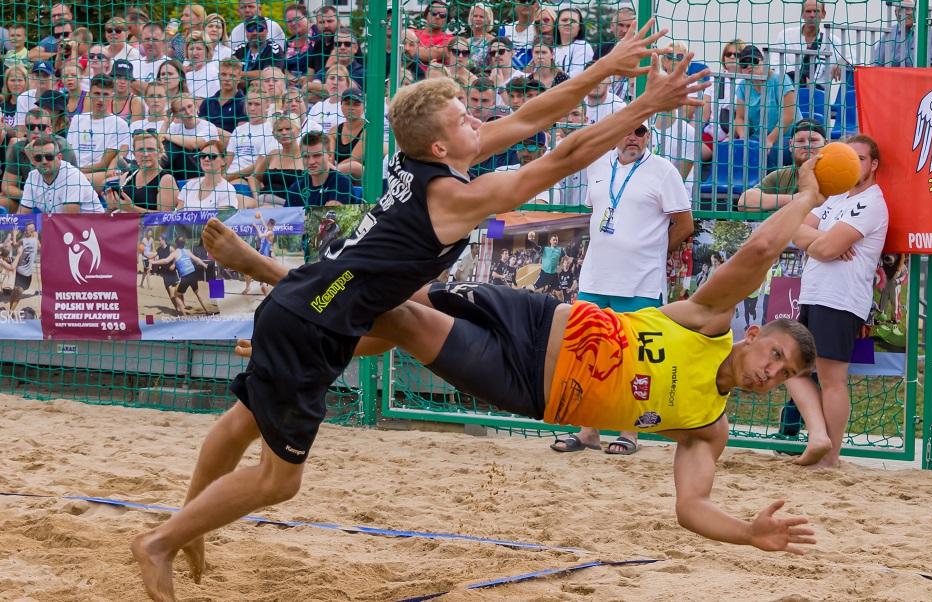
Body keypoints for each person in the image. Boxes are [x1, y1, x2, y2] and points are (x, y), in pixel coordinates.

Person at [130, 23, 708, 602]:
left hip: (310, 306)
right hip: (311, 322)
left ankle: (186, 526)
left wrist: (604, 69)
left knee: (241, 422)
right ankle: (163, 540)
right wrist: (643, 104)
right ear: (439, 146)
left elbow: (533, 117)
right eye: (464, 118)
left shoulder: (429, 163)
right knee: (278, 482)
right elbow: (560, 157)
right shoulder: (453, 197)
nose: (476, 122)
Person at [203, 145, 826, 576]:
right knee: (402, 298)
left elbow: (691, 508)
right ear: (753, 338)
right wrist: (808, 194)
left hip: (531, 385)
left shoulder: (706, 424)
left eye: (786, 374)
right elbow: (763, 246)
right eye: (775, 354)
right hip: (532, 314)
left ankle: (274, 281)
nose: (773, 373)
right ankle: (291, 312)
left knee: (402, 319)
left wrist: (748, 532)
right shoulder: (709, 321)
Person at [550, 122, 695, 456]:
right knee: (588, 354)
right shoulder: (598, 165)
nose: (632, 136)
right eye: (627, 130)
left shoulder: (663, 171)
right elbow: (600, 212)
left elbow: (684, 224)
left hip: (640, 281)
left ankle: (629, 432)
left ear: (649, 137)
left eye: (641, 132)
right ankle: (588, 431)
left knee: (634, 360)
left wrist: (653, 253)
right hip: (595, 277)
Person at [784, 135, 889, 467]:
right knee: (794, 368)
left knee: (831, 379)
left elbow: (827, 248)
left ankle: (830, 456)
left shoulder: (873, 202)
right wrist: (822, 240)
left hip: (840, 299)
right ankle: (817, 436)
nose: (852, 164)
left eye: (859, 158)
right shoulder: (835, 199)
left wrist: (819, 242)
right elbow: (794, 230)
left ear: (873, 165)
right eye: (847, 157)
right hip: (813, 293)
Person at [736, 119, 827, 210]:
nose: (807, 145)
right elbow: (744, 202)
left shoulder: (836, 172)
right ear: (791, 145)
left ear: (826, 144)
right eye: (800, 141)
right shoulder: (782, 175)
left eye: (813, 140)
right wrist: (800, 199)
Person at [17, 135, 103, 214]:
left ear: (59, 157)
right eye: (38, 158)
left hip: (93, 227)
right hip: (62, 227)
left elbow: (69, 220)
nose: (44, 161)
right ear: (33, 160)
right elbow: (22, 216)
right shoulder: (32, 176)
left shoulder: (72, 176)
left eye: (49, 157)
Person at [107, 131, 178, 212]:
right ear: (134, 154)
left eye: (150, 149)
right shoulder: (126, 177)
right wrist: (112, 206)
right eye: (141, 150)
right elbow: (115, 212)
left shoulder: (166, 180)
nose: (146, 154)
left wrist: (131, 208)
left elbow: (165, 218)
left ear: (160, 153)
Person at [289, 131, 360, 206]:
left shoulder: (341, 183)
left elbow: (333, 216)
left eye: (317, 155)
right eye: (306, 156)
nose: (311, 162)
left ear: (329, 156)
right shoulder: (297, 187)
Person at [178, 140, 248, 210]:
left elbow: (224, 219)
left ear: (223, 161)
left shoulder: (227, 190)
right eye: (202, 156)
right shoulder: (189, 186)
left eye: (212, 156)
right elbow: (178, 215)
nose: (206, 159)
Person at [6, 222, 37, 315]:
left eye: (26, 230)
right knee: (18, 294)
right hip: (26, 273)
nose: (24, 231)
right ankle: (11, 313)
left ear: (31, 231)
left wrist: (14, 234)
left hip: (20, 271)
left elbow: (15, 245)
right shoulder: (35, 240)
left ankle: (10, 312)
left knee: (15, 292)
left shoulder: (24, 240)